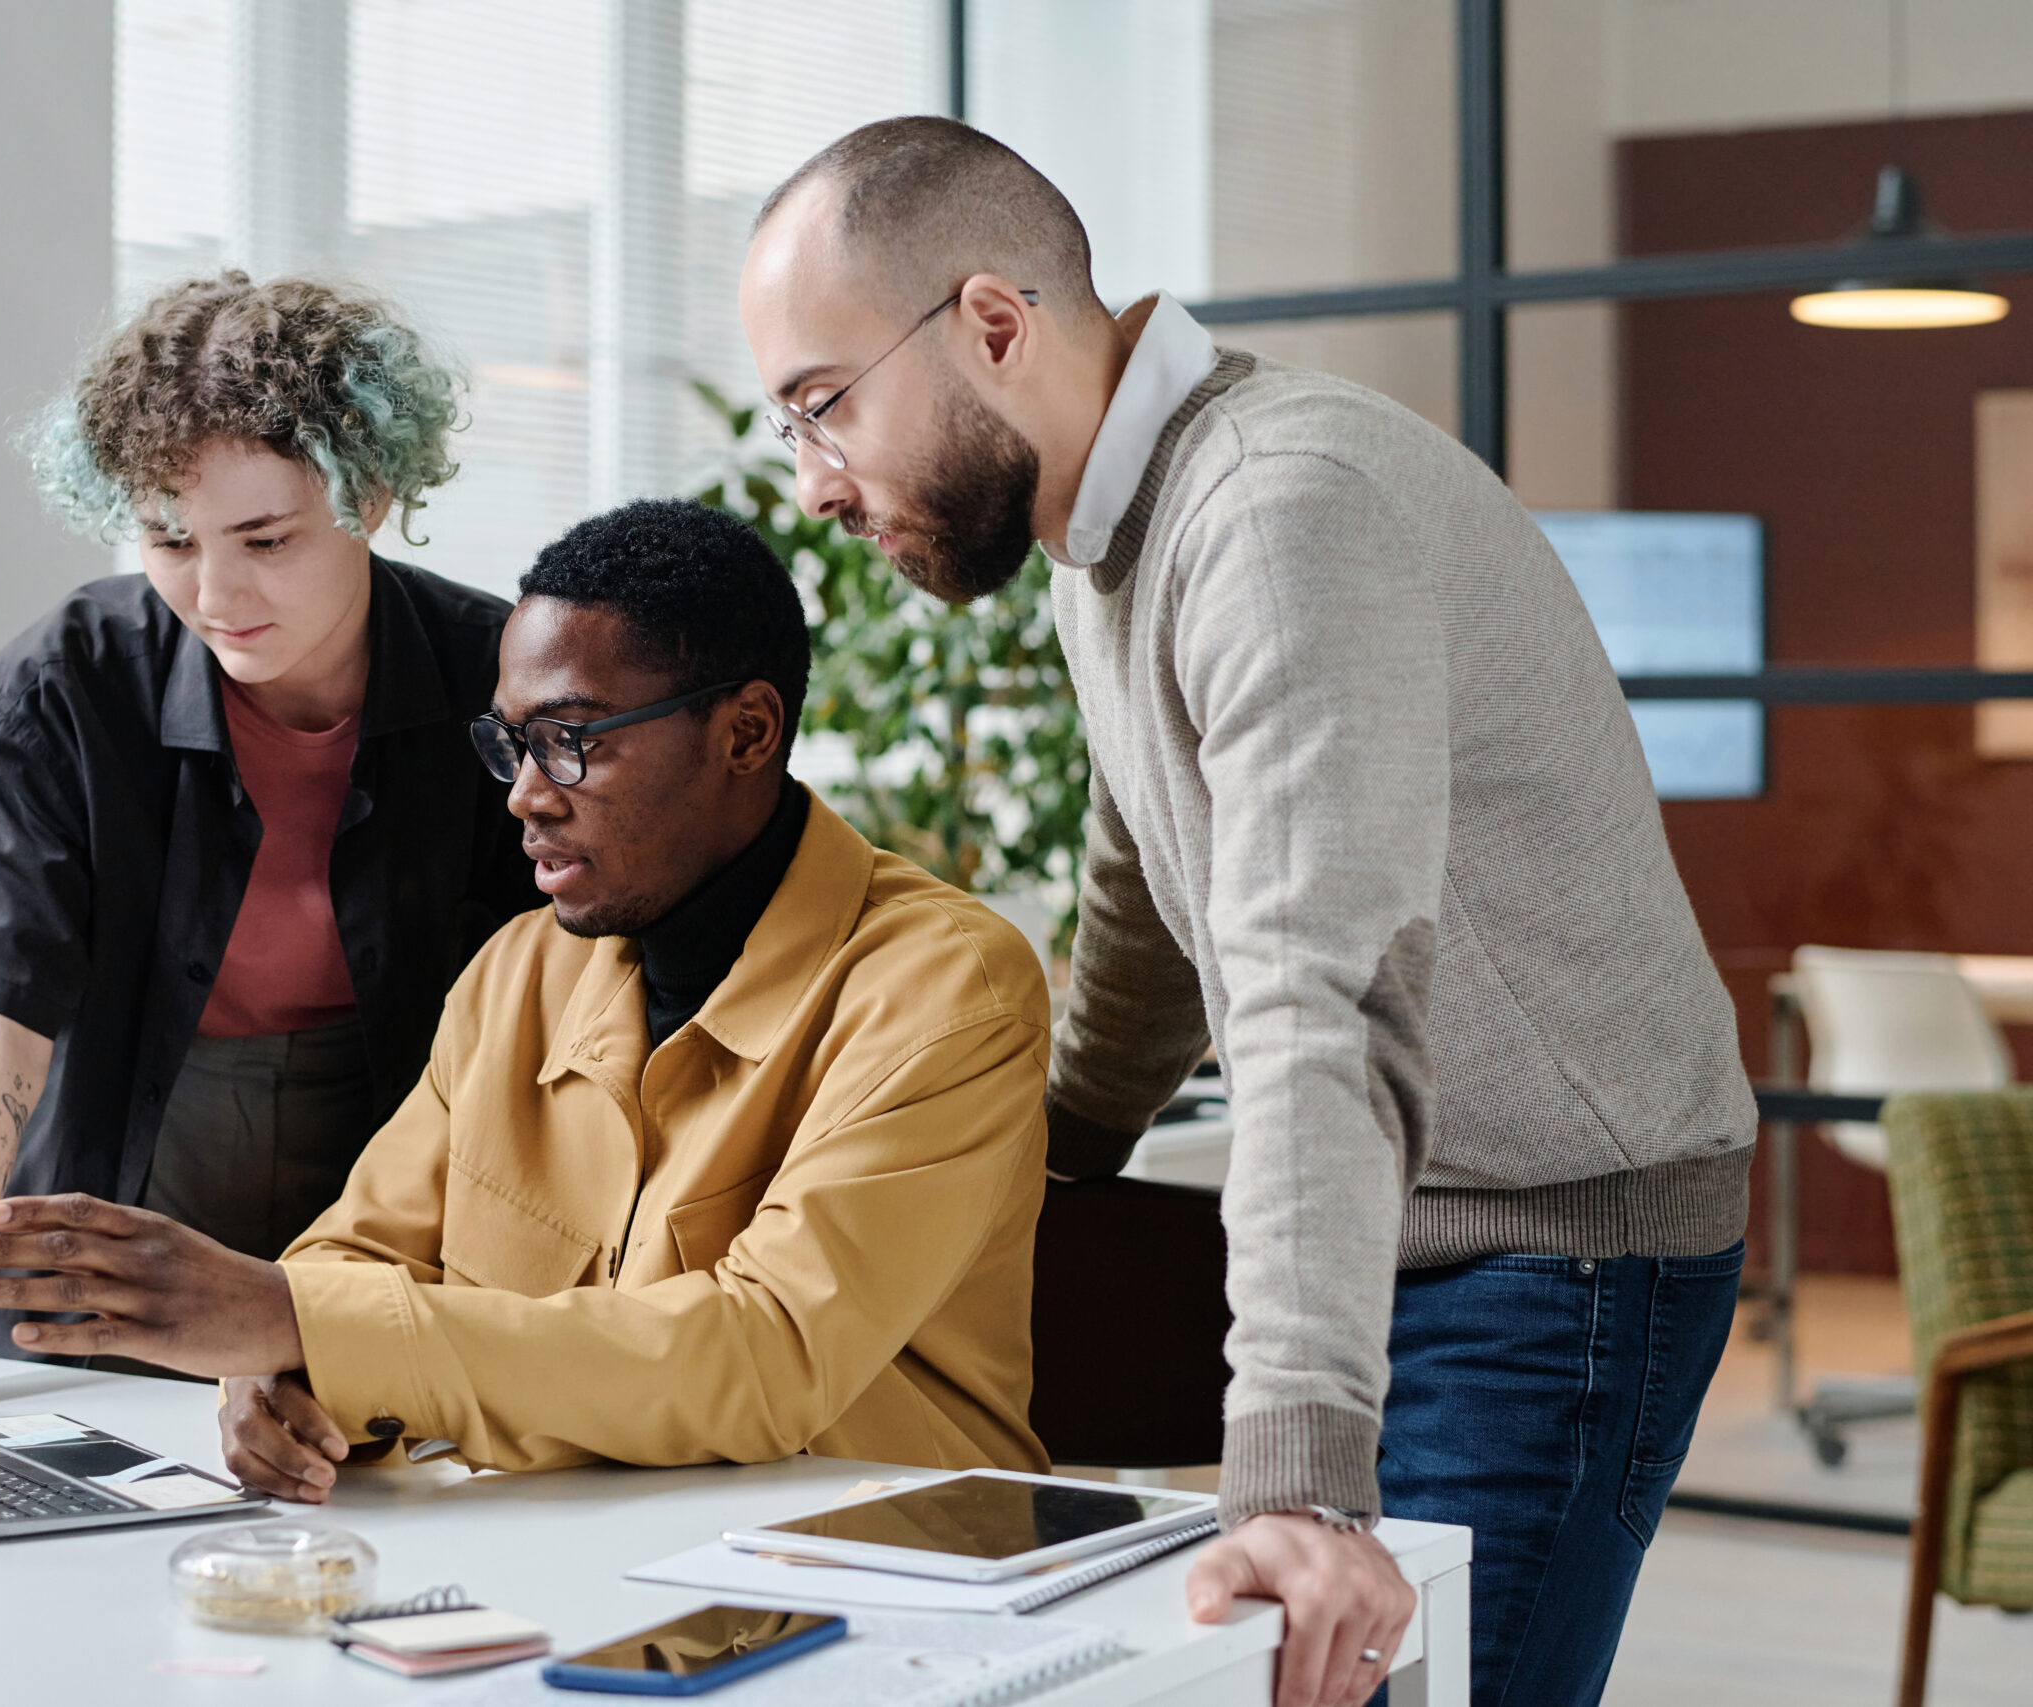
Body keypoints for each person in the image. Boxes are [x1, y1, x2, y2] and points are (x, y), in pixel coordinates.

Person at [736, 118, 1756, 1707]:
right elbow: (1149, 882)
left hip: (1548, 1246)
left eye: (823, 409)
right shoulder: (1108, 531)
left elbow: (1318, 999)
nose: (814, 486)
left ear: (993, 325)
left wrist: (1291, 1476)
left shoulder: (1279, 516)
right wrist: (1051, 1150)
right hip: (1433, 1212)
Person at [0, 498, 1053, 1486]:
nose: (524, 797)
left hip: (882, 1582)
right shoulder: (519, 973)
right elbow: (359, 1254)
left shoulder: (949, 991)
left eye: (569, 743)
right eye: (509, 744)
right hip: (575, 1568)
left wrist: (290, 1321)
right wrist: (281, 1380)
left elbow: (765, 1357)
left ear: (746, 732)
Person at [0, 272, 538, 1428]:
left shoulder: (496, 679)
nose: (216, 592)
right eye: (168, 537)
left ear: (373, 494)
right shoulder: (61, 686)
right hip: (111, 1202)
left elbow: (562, 1028)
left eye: (265, 538)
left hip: (391, 1202)